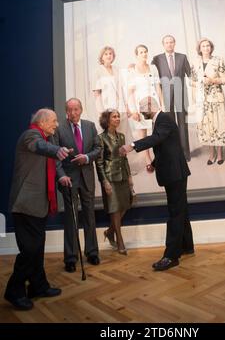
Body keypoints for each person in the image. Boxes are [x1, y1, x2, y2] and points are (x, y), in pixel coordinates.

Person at [4, 109, 70, 310]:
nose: (56, 124)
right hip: (26, 204)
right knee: (30, 249)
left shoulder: (43, 137)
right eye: (53, 121)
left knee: (37, 248)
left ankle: (38, 286)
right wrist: (55, 150)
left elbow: (49, 157)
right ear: (41, 122)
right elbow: (41, 147)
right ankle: (14, 291)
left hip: (38, 204)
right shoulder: (30, 135)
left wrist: (60, 175)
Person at [120, 97, 194, 271]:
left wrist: (132, 145)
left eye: (142, 107)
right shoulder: (160, 120)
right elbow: (164, 146)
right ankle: (186, 246)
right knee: (180, 209)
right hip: (174, 172)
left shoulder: (164, 119)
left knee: (175, 213)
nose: (141, 111)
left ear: (150, 107)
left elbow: (156, 138)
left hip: (175, 173)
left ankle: (171, 256)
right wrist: (153, 164)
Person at [54, 98, 101, 272]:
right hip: (69, 179)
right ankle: (71, 257)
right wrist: (61, 176)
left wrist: (87, 157)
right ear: (66, 111)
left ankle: (92, 252)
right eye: (69, 110)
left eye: (76, 109)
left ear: (81, 109)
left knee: (90, 215)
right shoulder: (59, 129)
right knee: (71, 218)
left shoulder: (90, 126)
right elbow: (55, 157)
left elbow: (98, 148)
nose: (73, 113)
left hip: (87, 177)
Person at [96, 109, 134, 255]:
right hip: (109, 177)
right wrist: (104, 182)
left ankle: (110, 232)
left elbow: (124, 158)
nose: (118, 119)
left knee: (125, 204)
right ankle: (120, 241)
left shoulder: (122, 137)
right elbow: (99, 163)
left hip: (123, 175)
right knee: (114, 208)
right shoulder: (101, 138)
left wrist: (129, 177)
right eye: (114, 117)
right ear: (107, 120)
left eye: (118, 117)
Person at [190, 38, 225, 165]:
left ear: (211, 48)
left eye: (208, 46)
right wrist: (199, 86)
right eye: (203, 46)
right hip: (202, 99)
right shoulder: (195, 62)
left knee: (218, 124)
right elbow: (191, 81)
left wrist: (213, 80)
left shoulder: (218, 60)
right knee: (206, 126)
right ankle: (211, 153)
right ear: (200, 49)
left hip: (216, 98)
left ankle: (219, 154)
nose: (206, 48)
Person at [152, 35, 191, 161]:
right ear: (163, 44)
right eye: (166, 42)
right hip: (165, 96)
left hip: (181, 94)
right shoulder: (157, 59)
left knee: (182, 124)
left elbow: (190, 75)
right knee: (168, 124)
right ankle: (173, 153)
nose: (169, 44)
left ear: (174, 43)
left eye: (171, 42)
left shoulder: (182, 57)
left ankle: (185, 154)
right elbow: (150, 73)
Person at [127, 44, 164, 171]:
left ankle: (158, 158)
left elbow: (158, 88)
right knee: (143, 134)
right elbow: (130, 93)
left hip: (154, 104)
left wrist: (162, 105)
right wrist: (134, 111)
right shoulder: (132, 71)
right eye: (141, 52)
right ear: (136, 55)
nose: (144, 54)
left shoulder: (153, 68)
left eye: (145, 52)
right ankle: (148, 160)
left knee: (156, 133)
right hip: (140, 105)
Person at [92, 46, 132, 142]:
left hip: (120, 107)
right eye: (106, 54)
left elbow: (122, 90)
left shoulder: (117, 69)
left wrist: (127, 106)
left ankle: (122, 155)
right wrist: (101, 111)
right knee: (109, 136)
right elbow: (97, 93)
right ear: (102, 57)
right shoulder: (98, 71)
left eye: (110, 53)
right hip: (107, 108)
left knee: (122, 134)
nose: (108, 56)